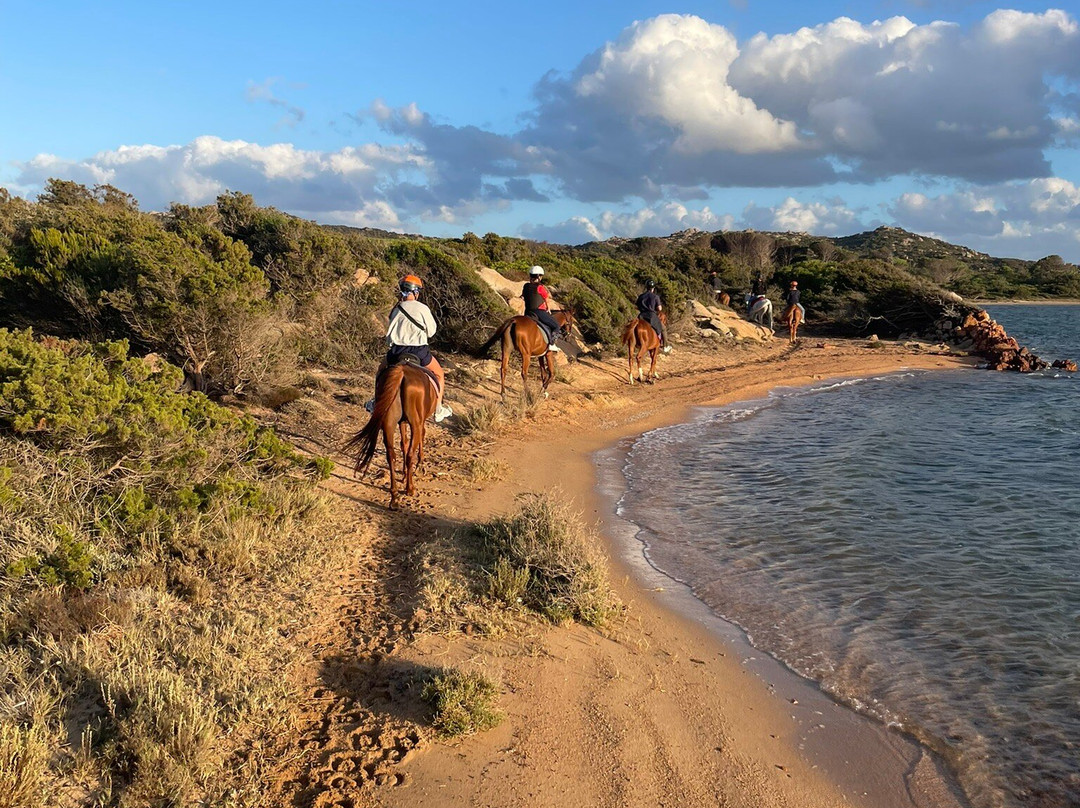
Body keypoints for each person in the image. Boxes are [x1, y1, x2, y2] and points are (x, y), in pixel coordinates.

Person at [378, 274, 452, 422]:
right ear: (416, 292)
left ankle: (375, 402)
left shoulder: (395, 309)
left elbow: (389, 333)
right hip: (419, 351)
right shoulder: (423, 308)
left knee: (380, 372)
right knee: (439, 374)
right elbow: (431, 332)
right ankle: (438, 409)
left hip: (397, 351)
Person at [522, 265, 561, 352]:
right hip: (539, 312)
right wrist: (548, 308)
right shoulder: (540, 287)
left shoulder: (525, 286)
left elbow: (524, 296)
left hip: (528, 312)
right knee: (556, 326)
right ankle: (551, 344)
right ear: (539, 277)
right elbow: (546, 298)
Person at [635, 279, 671, 353]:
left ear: (646, 287)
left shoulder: (641, 296)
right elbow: (659, 308)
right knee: (663, 328)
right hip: (651, 316)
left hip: (641, 316)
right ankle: (665, 346)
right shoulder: (655, 297)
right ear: (653, 288)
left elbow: (637, 306)